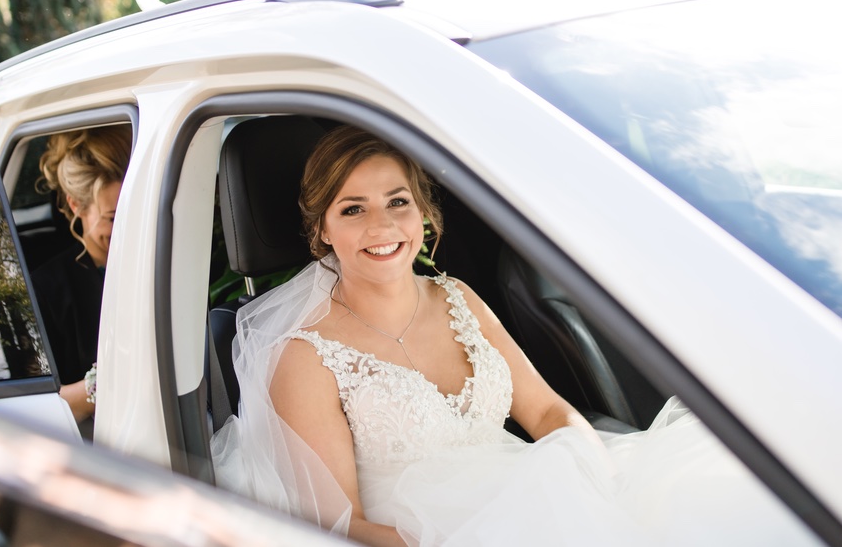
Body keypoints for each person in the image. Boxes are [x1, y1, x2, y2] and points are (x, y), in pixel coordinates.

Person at [211, 126, 818, 546]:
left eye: (397, 201)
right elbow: (339, 527)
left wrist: (600, 483)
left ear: (424, 212)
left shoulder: (457, 298)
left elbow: (550, 410)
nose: (382, 226)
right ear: (322, 231)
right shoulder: (306, 356)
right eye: (353, 209)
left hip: (537, 504)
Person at [31, 125, 131, 438]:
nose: (128, 228)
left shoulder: (164, 256)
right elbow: (41, 408)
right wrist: (105, 384)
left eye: (135, 210)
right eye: (114, 218)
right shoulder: (46, 290)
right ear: (76, 205)